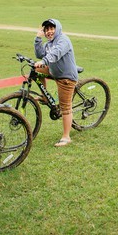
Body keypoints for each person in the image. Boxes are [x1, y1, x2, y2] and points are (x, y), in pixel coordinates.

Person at [34, 18, 79, 147]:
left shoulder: (63, 40)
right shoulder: (49, 43)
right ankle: (45, 97)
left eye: (51, 28)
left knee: (65, 107)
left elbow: (55, 54)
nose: (49, 32)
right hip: (55, 72)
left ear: (57, 28)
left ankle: (66, 137)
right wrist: (38, 38)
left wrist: (44, 61)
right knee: (35, 70)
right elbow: (40, 54)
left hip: (66, 77)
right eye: (46, 29)